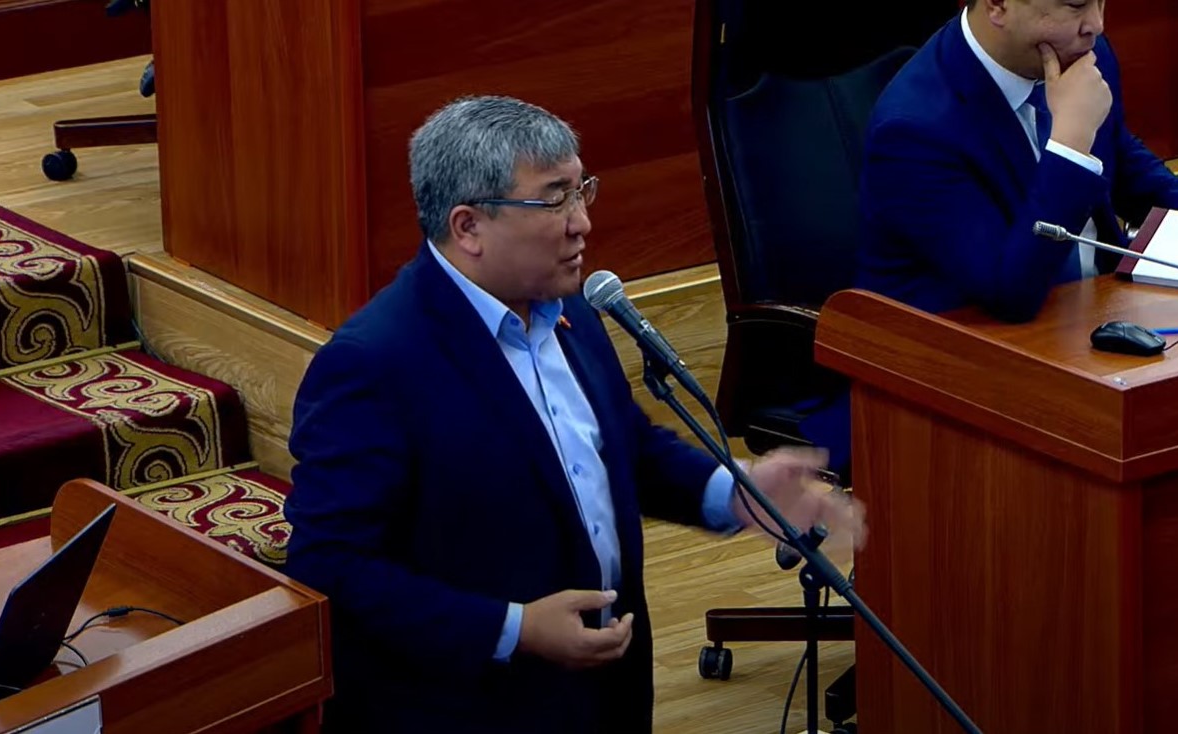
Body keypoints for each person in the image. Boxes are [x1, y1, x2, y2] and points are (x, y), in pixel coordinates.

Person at [283, 95, 864, 733]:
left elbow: (621, 446)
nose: (582, 222)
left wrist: (734, 491)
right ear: (468, 227)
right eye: (554, 200)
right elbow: (329, 562)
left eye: (581, 190)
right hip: (472, 707)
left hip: (607, 689)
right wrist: (512, 628)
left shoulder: (573, 310)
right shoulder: (373, 364)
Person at [855, 0, 1178, 322]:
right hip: (967, 354)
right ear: (998, 5)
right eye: (1075, 6)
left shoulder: (1081, 54)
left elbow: (1118, 153)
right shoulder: (913, 132)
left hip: (1099, 312)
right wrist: (1069, 146)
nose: (1096, 25)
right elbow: (1009, 294)